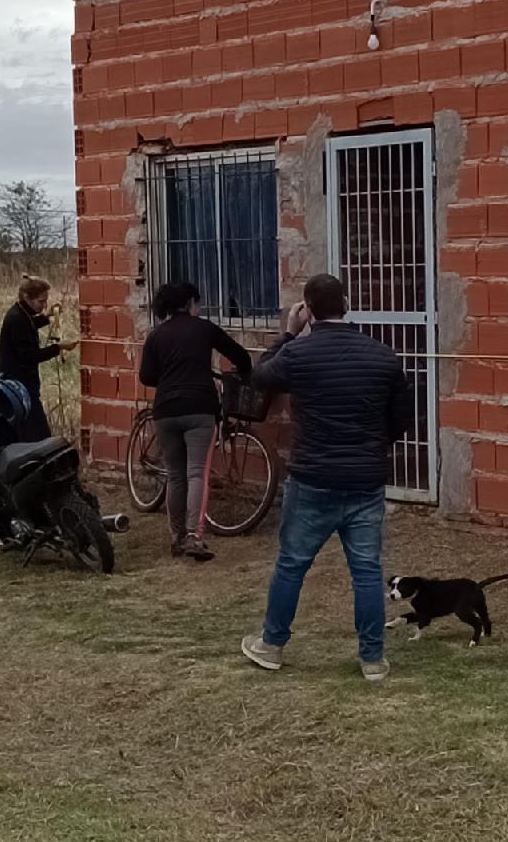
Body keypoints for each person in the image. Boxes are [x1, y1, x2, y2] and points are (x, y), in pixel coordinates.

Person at [240, 273, 411, 683]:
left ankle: (271, 645)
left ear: (309, 310)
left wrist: (287, 335)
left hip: (313, 479)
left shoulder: (300, 354)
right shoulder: (383, 356)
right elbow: (403, 420)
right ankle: (372, 659)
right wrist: (372, 445)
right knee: (367, 572)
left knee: (292, 564)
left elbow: (259, 377)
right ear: (347, 306)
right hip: (365, 481)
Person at [138, 281, 251, 562]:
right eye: (197, 303)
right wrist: (244, 375)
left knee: (175, 474)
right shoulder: (204, 328)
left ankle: (176, 538)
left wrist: (170, 375)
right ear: (190, 303)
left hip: (165, 411)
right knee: (197, 472)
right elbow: (239, 355)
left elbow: (147, 377)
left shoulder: (156, 336)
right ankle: (194, 536)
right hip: (200, 409)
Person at [0, 276, 77, 444]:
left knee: (25, 435)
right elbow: (29, 356)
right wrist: (59, 347)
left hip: (21, 384)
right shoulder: (17, 318)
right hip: (17, 388)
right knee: (37, 436)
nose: (44, 305)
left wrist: (47, 317)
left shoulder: (21, 313)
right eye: (41, 302)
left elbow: (29, 325)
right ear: (26, 297)